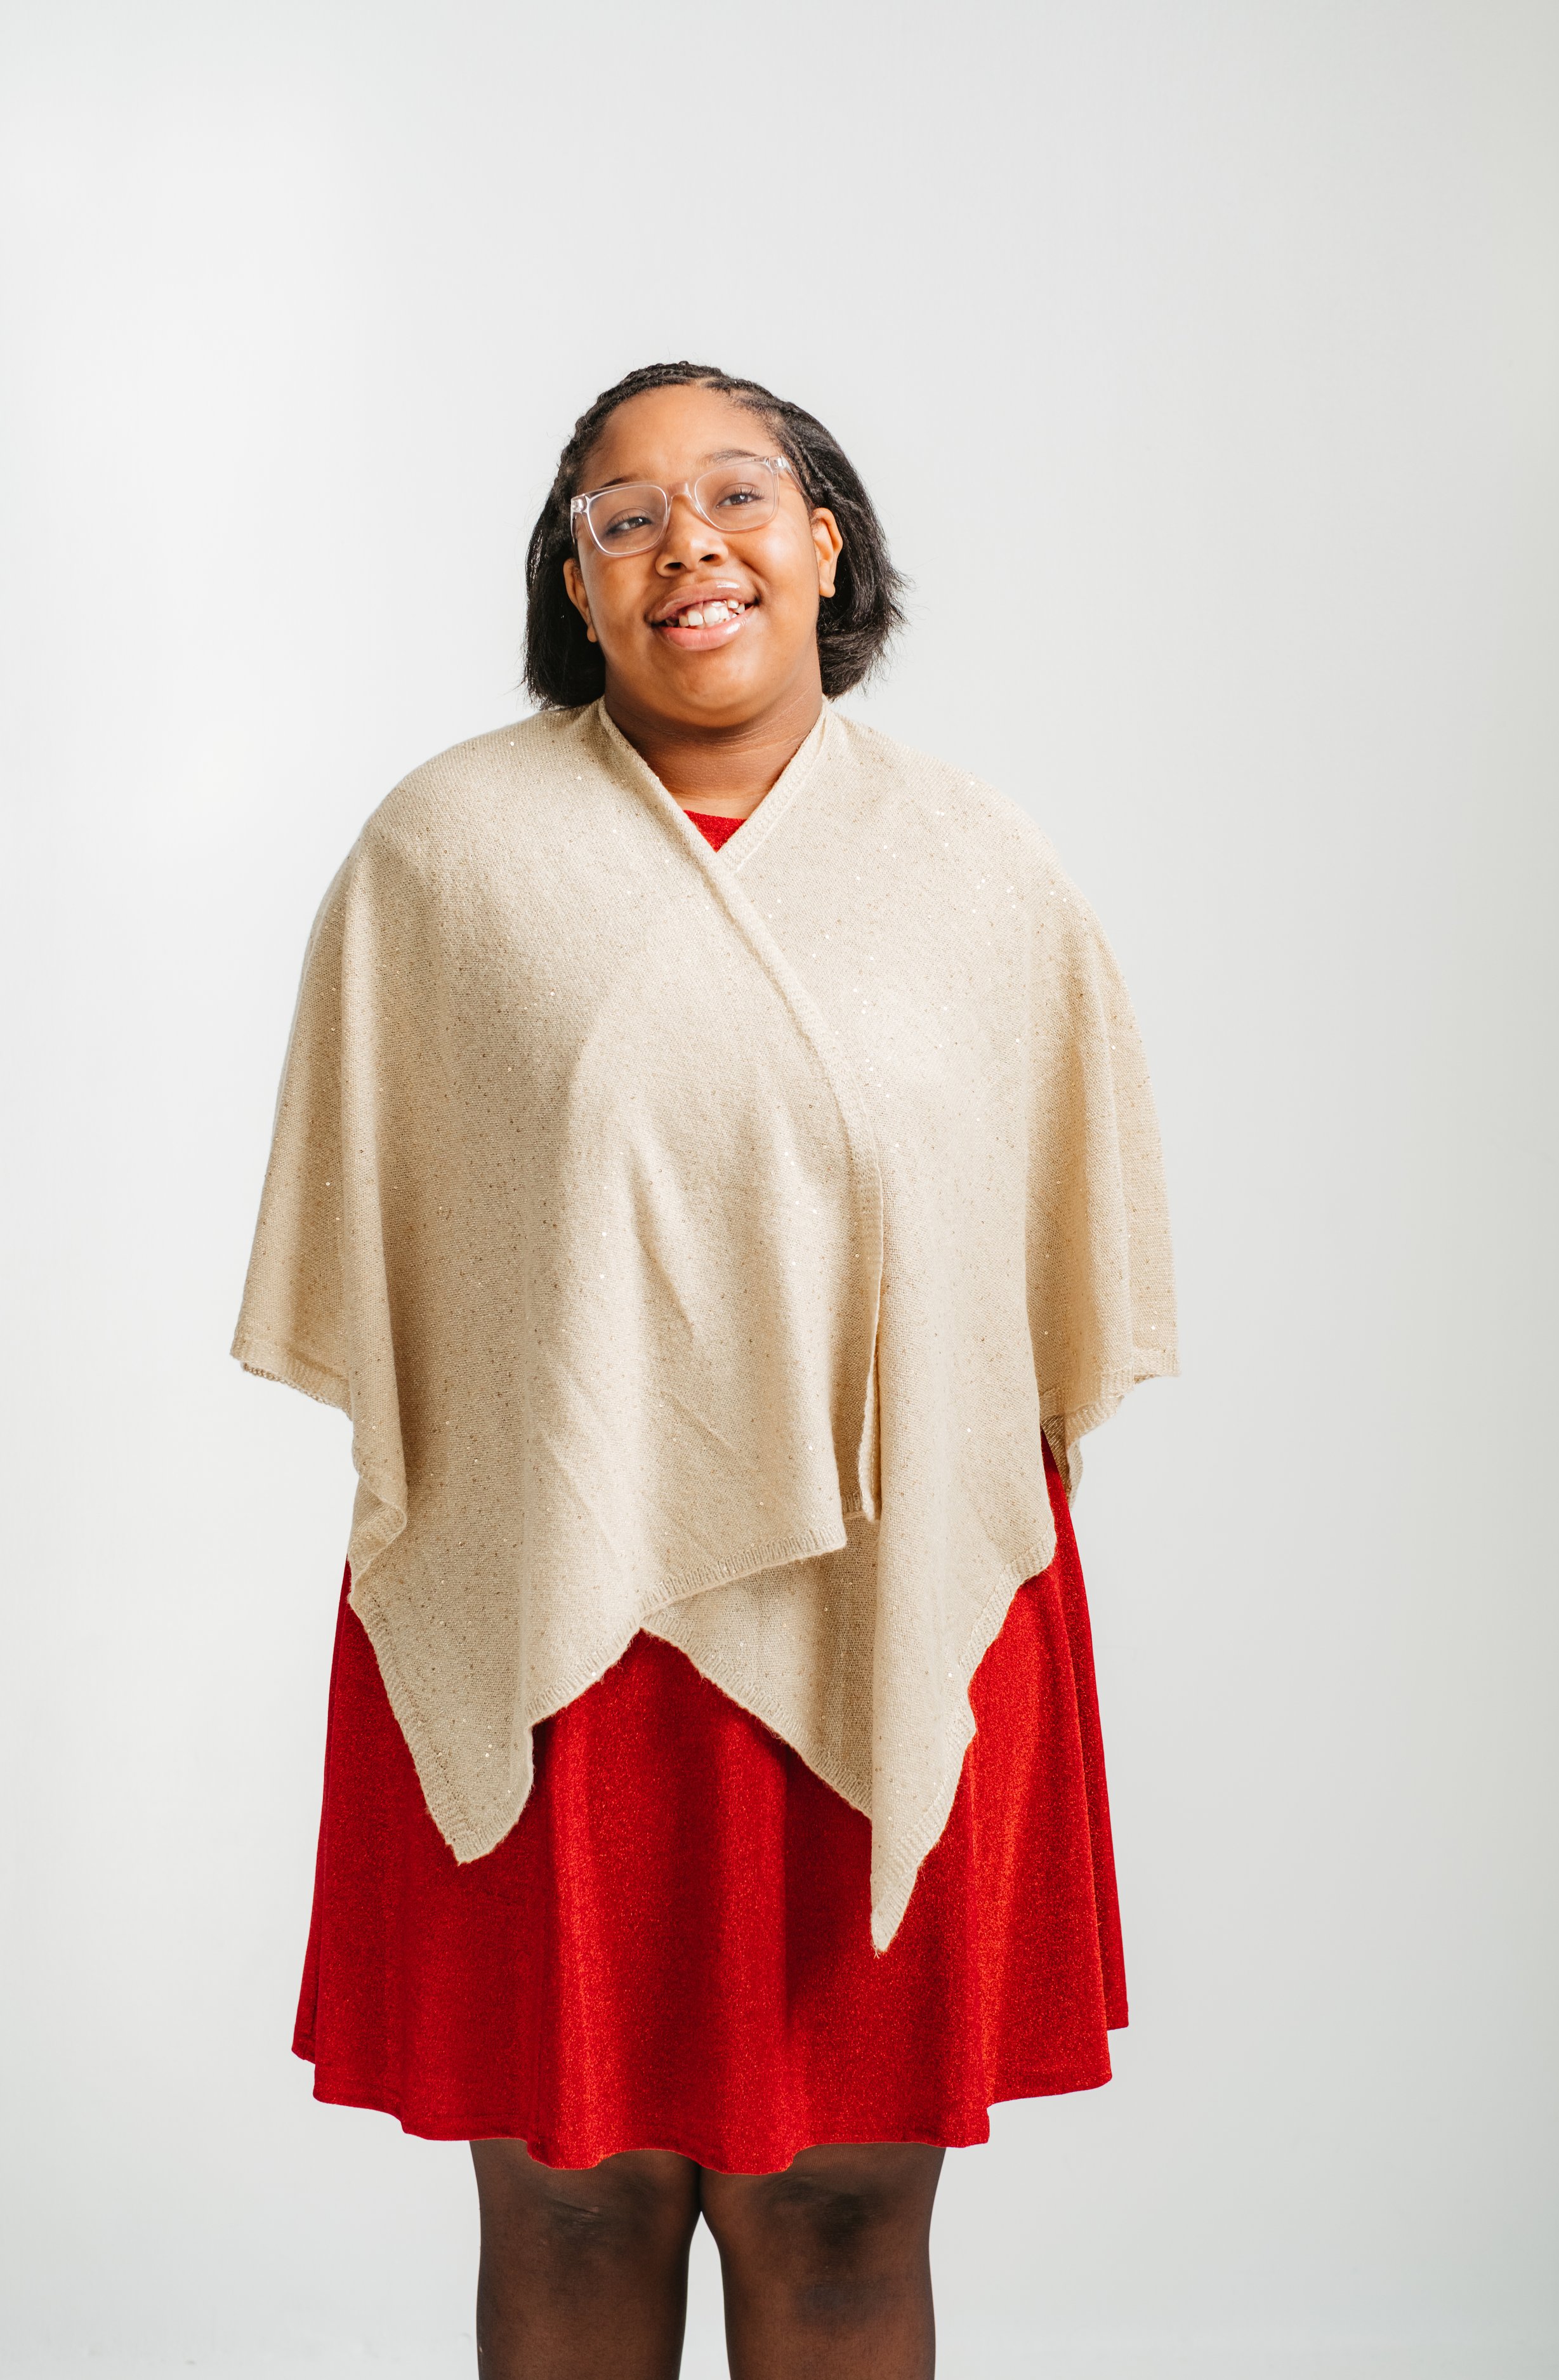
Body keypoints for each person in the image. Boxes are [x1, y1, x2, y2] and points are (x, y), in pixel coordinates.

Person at [234, 360, 1177, 2380]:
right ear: (574, 589)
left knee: (843, 2210)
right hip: (557, 1626)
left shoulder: (980, 872)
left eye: (738, 493)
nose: (686, 543)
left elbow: (1047, 1289)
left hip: (890, 1611)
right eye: (620, 517)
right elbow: (390, 1272)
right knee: (572, 2210)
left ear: (823, 544)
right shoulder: (448, 860)